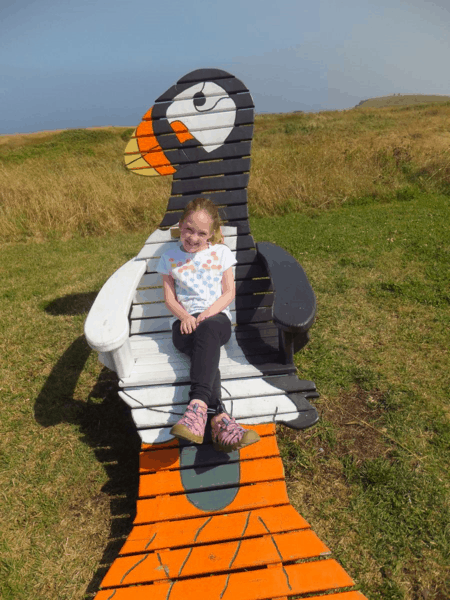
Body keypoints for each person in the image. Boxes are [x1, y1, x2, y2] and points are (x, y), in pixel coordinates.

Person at [155, 197, 260, 453]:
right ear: (181, 225)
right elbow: (169, 298)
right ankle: (219, 419)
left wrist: (207, 314)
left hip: (216, 321)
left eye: (201, 233)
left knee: (209, 330)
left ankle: (197, 407)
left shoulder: (221, 253)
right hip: (184, 326)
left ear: (212, 234)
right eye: (189, 229)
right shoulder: (169, 257)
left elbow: (228, 293)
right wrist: (185, 316)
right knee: (205, 354)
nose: (193, 237)